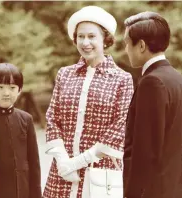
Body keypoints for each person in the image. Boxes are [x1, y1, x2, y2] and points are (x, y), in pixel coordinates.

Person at [43, 6, 134, 198]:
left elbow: (119, 127)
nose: (85, 43)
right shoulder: (64, 74)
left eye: (92, 36)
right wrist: (62, 161)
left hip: (100, 174)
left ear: (105, 39)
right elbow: (52, 117)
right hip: (61, 173)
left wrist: (77, 162)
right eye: (80, 37)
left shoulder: (122, 79)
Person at [123, 12, 182, 198]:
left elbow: (145, 150)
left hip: (152, 191)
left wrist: (133, 193)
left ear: (142, 45)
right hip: (175, 187)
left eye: (127, 43)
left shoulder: (151, 82)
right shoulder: (177, 78)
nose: (126, 49)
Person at [0, 63, 42, 198]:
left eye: (12, 88)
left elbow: (34, 163)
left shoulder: (26, 119)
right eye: (0, 87)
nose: (6, 93)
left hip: (22, 190)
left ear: (20, 90)